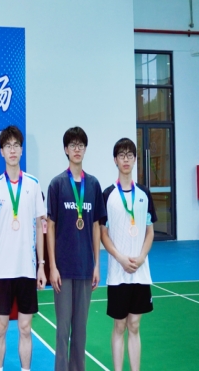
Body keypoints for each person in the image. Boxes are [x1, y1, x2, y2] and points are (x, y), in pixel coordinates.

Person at [46, 126, 106, 371]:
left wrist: (96, 265)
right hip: (63, 268)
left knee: (80, 332)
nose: (77, 149)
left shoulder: (93, 185)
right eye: (72, 145)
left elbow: (95, 226)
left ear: (85, 149)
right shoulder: (57, 184)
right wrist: (52, 266)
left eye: (81, 145)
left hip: (85, 268)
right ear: (66, 150)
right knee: (63, 331)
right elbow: (50, 226)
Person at [0, 126, 46, 371]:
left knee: (25, 328)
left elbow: (40, 227)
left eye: (16, 145)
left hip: (27, 269)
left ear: (21, 150)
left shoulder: (33, 184)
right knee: (0, 328)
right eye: (7, 146)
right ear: (1, 151)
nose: (12, 150)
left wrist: (41, 265)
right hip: (2, 270)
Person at [100, 138, 156, 371]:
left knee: (134, 325)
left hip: (140, 272)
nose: (126, 159)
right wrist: (121, 258)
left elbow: (150, 231)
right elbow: (103, 234)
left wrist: (141, 257)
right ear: (115, 160)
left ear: (135, 159)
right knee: (120, 325)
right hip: (118, 273)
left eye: (129, 155)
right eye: (121, 155)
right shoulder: (107, 195)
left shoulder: (144, 193)